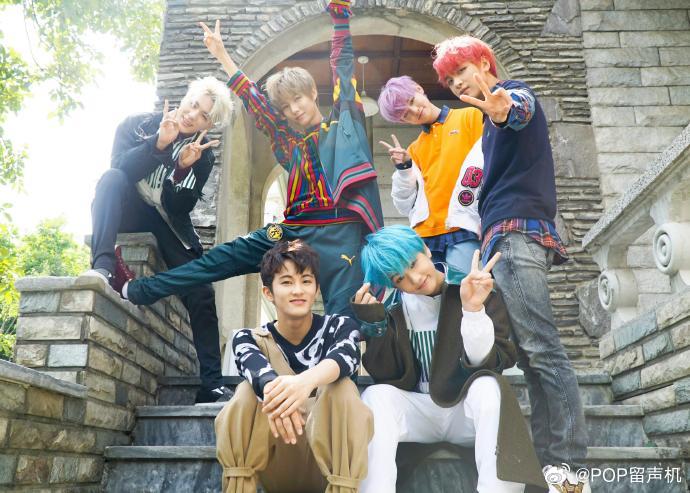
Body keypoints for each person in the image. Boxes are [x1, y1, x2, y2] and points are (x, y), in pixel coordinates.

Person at [117, 0, 384, 321]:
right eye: (286, 107)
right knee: (219, 259)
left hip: (341, 229)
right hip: (294, 230)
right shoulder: (289, 144)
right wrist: (222, 56)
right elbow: (256, 102)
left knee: (345, 322)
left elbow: (343, 69)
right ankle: (138, 291)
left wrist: (340, 18)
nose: (294, 109)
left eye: (298, 99)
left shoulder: (344, 123)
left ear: (313, 92)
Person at [432, 36, 589, 491]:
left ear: (484, 63)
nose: (457, 83)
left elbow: (516, 108)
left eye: (461, 71)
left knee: (543, 350)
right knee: (532, 358)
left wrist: (501, 108)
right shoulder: (488, 124)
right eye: (450, 79)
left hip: (516, 235)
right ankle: (551, 463)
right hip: (505, 237)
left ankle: (568, 466)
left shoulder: (513, 95)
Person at [351, 225, 547, 493]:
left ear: (426, 249)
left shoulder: (474, 288)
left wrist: (473, 310)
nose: (414, 278)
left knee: (488, 386)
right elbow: (385, 375)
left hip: (463, 411)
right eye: (399, 278)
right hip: (419, 413)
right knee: (375, 395)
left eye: (413, 263)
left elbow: (489, 364)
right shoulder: (391, 310)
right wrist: (375, 325)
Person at [84, 76, 234, 403]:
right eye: (193, 105)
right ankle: (103, 266)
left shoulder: (203, 156)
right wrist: (158, 145)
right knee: (110, 178)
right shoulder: (137, 124)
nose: (193, 115)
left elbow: (180, 208)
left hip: (168, 223)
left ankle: (211, 384)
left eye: (204, 116)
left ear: (210, 125)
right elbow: (118, 172)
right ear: (185, 98)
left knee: (202, 291)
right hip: (131, 207)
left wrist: (181, 170)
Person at [215, 239, 372, 493]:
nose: (298, 290)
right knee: (246, 392)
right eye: (287, 282)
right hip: (276, 464)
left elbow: (346, 356)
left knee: (342, 388)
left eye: (306, 281)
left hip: (332, 470)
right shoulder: (249, 338)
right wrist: (281, 397)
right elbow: (257, 372)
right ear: (268, 292)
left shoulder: (340, 327)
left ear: (317, 289)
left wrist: (304, 383)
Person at [377, 75, 484, 273]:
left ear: (419, 88)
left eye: (411, 101)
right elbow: (403, 205)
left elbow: (488, 166)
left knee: (463, 288)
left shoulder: (470, 116)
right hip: (425, 235)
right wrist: (404, 168)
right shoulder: (414, 149)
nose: (414, 111)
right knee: (431, 293)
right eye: (405, 114)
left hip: (463, 226)